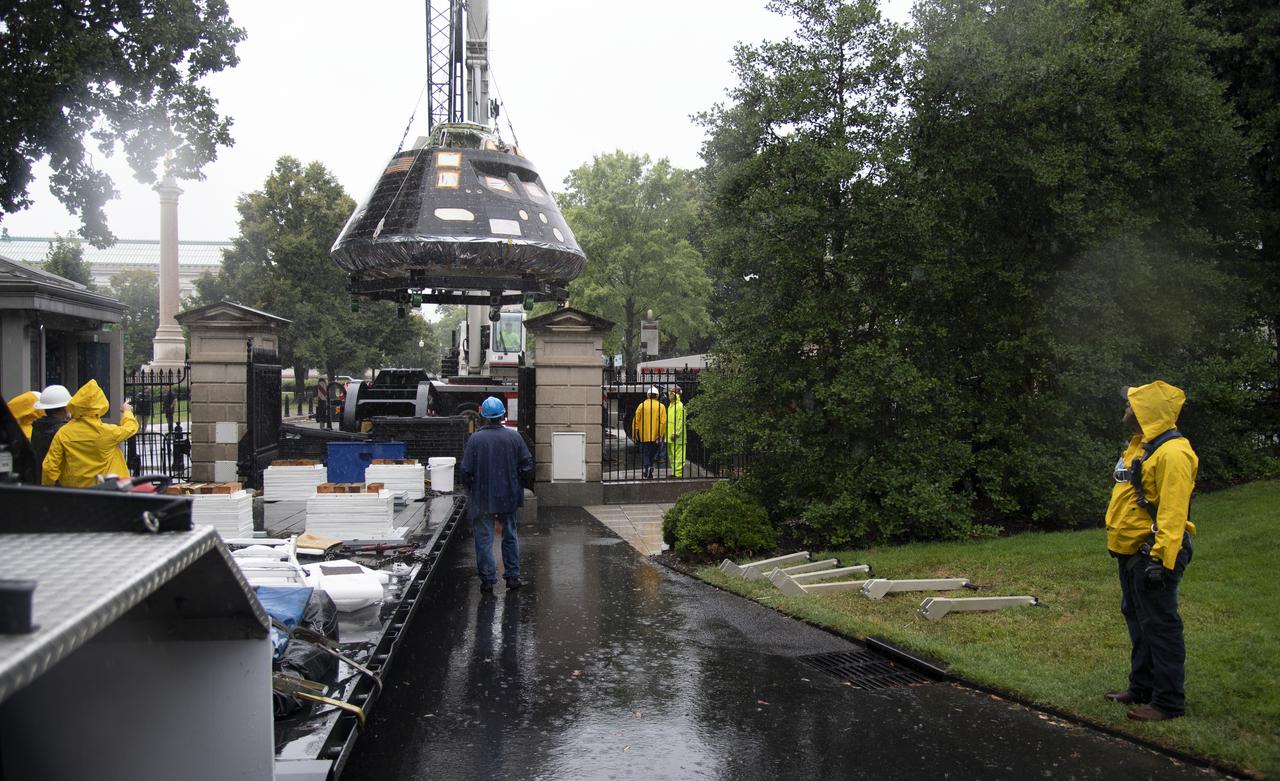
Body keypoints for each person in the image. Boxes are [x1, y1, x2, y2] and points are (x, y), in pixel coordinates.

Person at [1104, 380, 1197, 722]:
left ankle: (1168, 702)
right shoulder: (1143, 446)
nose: (1126, 408)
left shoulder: (1174, 453)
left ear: (1147, 412)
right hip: (1131, 552)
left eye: (1131, 404)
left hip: (1153, 554)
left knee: (1161, 625)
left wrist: (1160, 560)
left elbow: (1174, 513)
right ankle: (1141, 687)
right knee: (1138, 619)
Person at [460, 396, 534, 593]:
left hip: (482, 497)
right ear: (502, 415)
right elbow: (527, 465)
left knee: (484, 539)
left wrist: (471, 488)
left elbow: (465, 470)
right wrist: (518, 482)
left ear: (483, 416)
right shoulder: (514, 437)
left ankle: (487, 579)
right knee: (510, 535)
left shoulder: (475, 439)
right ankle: (512, 577)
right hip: (508, 495)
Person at [42, 379, 138, 488]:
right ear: (101, 405)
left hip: (76, 493)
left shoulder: (63, 432)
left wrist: (49, 489)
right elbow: (131, 428)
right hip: (105, 490)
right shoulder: (106, 432)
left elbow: (50, 467)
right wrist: (127, 412)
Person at [30, 384, 72, 483]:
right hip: (60, 486)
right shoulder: (64, 431)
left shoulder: (37, 427)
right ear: (65, 408)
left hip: (41, 481)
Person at [630, 386, 666, 479]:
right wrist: (660, 435)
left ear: (648, 395)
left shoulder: (641, 405)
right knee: (653, 454)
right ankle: (650, 467)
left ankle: (647, 468)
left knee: (645, 453)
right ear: (657, 395)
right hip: (656, 436)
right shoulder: (661, 406)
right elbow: (663, 422)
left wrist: (634, 434)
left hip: (643, 435)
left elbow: (636, 421)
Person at [666, 385, 687, 478]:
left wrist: (676, 433)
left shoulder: (679, 406)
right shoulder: (671, 406)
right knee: (672, 456)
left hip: (677, 437)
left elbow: (680, 421)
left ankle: (678, 474)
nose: (668, 395)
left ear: (675, 394)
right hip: (671, 436)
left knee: (678, 456)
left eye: (670, 393)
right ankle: (675, 472)